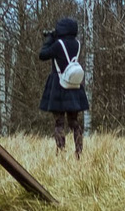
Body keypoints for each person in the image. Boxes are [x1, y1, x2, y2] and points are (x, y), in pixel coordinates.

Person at [37, 16, 88, 156]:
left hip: (59, 85)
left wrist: (49, 40)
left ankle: (61, 152)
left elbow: (42, 55)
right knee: (74, 122)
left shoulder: (58, 44)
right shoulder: (77, 43)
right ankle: (79, 152)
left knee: (59, 122)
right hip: (73, 86)